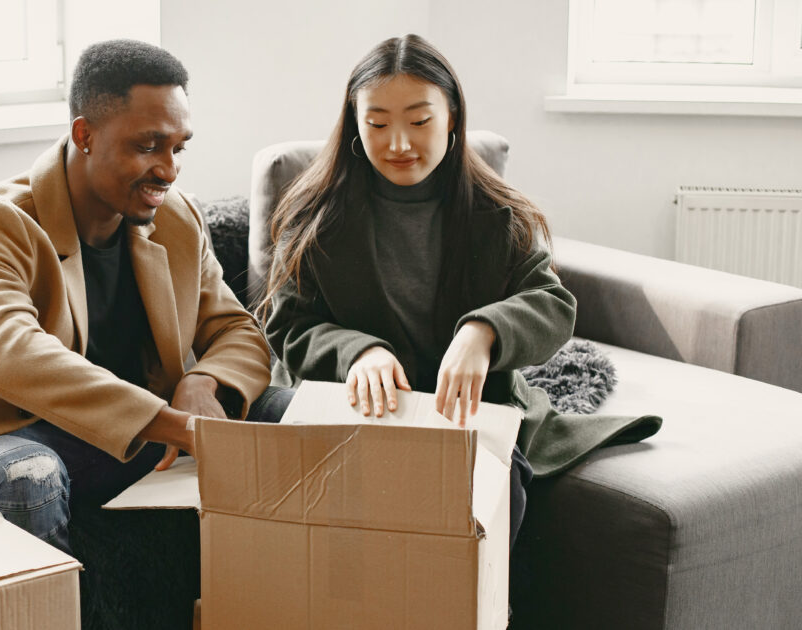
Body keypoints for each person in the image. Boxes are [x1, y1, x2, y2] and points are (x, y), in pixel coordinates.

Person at [0, 39, 280, 556]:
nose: (169, 168)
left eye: (177, 147)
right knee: (26, 477)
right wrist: (173, 425)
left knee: (304, 418)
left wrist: (203, 382)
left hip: (147, 438)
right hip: (21, 438)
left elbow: (237, 330)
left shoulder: (177, 218)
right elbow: (14, 354)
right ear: (85, 134)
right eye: (148, 146)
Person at [259, 34, 661, 559]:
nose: (398, 142)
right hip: (351, 408)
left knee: (494, 480)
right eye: (377, 123)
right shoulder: (316, 214)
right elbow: (286, 324)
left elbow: (553, 304)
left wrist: (484, 331)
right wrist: (358, 350)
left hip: (463, 415)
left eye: (419, 121)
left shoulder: (498, 213)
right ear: (355, 124)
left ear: (452, 118)